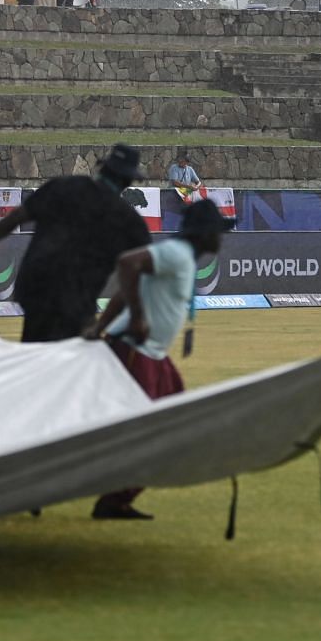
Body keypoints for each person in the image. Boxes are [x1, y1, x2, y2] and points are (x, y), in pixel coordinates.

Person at [84, 199, 235, 519]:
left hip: (152, 354)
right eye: (218, 231)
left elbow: (128, 288)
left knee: (177, 423)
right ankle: (113, 499)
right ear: (203, 233)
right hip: (137, 353)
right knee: (155, 432)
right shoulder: (177, 254)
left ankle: (118, 497)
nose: (221, 238)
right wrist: (136, 318)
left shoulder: (183, 259)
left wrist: (101, 326)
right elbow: (127, 264)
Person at [0, 144, 151, 343]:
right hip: (76, 300)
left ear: (103, 168)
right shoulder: (129, 221)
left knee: (36, 352)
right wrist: (130, 318)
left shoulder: (64, 186)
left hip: (34, 289)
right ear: (128, 180)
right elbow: (140, 275)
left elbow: (15, 218)